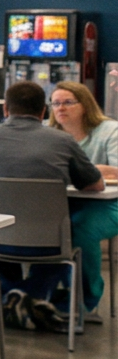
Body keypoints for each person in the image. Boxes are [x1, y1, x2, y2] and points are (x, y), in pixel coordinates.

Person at [0, 79, 104, 332]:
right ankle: (30, 295)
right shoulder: (63, 141)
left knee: (0, 232)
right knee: (64, 236)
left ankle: (9, 296)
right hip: (48, 243)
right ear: (43, 112)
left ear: (5, 109)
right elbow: (94, 185)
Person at [50, 80, 118, 316]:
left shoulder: (110, 130)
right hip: (64, 203)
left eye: (68, 102)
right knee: (41, 227)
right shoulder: (49, 133)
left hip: (108, 204)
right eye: (56, 103)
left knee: (80, 229)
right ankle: (38, 292)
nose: (61, 108)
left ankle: (86, 298)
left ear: (86, 105)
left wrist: (85, 169)